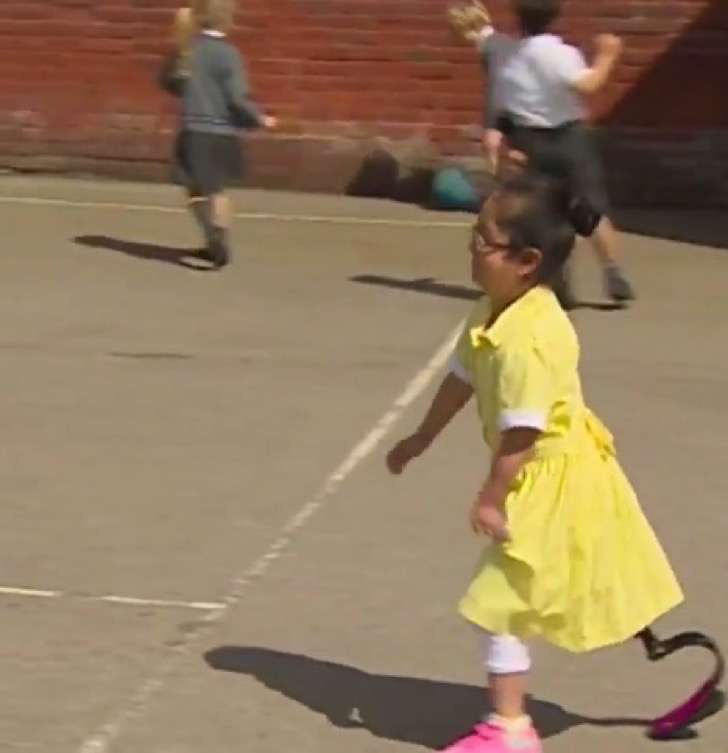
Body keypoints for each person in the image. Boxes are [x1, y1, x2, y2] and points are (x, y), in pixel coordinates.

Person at [386, 174, 684, 753]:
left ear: (526, 260)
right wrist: (421, 436)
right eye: (473, 235)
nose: (471, 249)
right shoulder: (492, 309)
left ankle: (510, 730)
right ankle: (510, 724)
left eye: (483, 241)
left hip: (551, 475)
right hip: (541, 470)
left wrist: (492, 497)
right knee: (523, 597)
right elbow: (462, 375)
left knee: (498, 603)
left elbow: (523, 429)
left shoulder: (532, 338)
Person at [485, 0, 635, 307]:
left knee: (543, 211)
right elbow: (589, 84)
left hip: (528, 141)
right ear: (554, 16)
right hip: (568, 139)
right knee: (589, 208)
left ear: (518, 15)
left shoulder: (501, 50)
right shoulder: (560, 53)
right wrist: (608, 54)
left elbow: (476, 33)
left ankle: (554, 278)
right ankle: (612, 270)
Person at [159, 0, 277, 268]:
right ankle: (220, 238)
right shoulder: (229, 54)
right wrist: (259, 118)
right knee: (218, 190)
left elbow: (168, 81)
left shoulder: (186, 48)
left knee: (195, 191)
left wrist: (190, 91)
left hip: (193, 131)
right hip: (222, 132)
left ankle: (211, 239)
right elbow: (237, 97)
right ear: (229, 19)